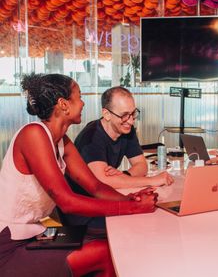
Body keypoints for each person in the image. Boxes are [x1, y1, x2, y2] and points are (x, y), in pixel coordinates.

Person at [0, 73, 158, 276]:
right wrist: (132, 208)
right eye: (79, 96)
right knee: (106, 252)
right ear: (63, 104)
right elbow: (67, 201)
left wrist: (130, 199)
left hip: (35, 233)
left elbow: (95, 187)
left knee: (112, 241)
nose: (83, 103)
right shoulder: (34, 134)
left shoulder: (61, 140)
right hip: (9, 245)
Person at [63, 86, 173, 229]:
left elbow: (141, 165)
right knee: (147, 223)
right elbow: (102, 181)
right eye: (124, 115)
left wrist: (123, 176)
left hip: (106, 199)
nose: (131, 121)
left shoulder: (126, 128)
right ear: (107, 114)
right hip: (85, 213)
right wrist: (153, 180)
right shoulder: (91, 136)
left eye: (133, 113)